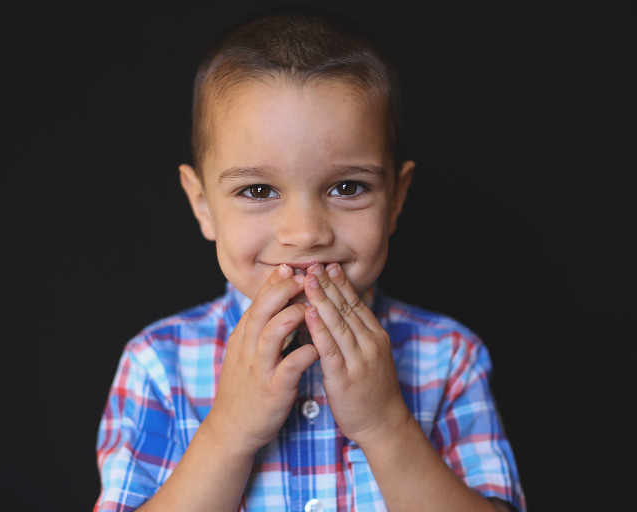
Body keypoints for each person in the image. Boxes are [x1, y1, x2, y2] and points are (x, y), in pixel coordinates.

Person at [94, 6, 526, 512]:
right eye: (258, 189)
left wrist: (385, 424)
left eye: (347, 187)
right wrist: (228, 431)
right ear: (202, 205)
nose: (304, 234)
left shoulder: (449, 356)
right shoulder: (157, 365)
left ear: (396, 199)